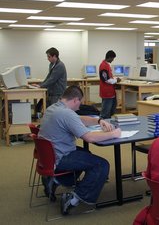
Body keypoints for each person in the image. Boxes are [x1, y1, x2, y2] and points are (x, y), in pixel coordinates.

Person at [38, 85, 121, 215]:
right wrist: (114, 134)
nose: (80, 106)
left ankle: (55, 180)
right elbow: (89, 137)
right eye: (80, 102)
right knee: (102, 164)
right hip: (61, 157)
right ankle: (73, 199)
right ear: (76, 100)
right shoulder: (66, 113)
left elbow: (78, 119)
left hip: (49, 157)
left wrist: (99, 121)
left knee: (86, 155)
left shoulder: (54, 108)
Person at [99, 50, 121, 119]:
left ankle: (108, 124)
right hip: (107, 92)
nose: (113, 60)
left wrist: (114, 79)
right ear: (109, 57)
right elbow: (106, 80)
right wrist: (116, 80)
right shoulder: (103, 66)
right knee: (105, 111)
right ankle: (103, 124)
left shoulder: (107, 65)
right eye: (113, 58)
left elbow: (109, 77)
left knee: (112, 108)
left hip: (110, 91)